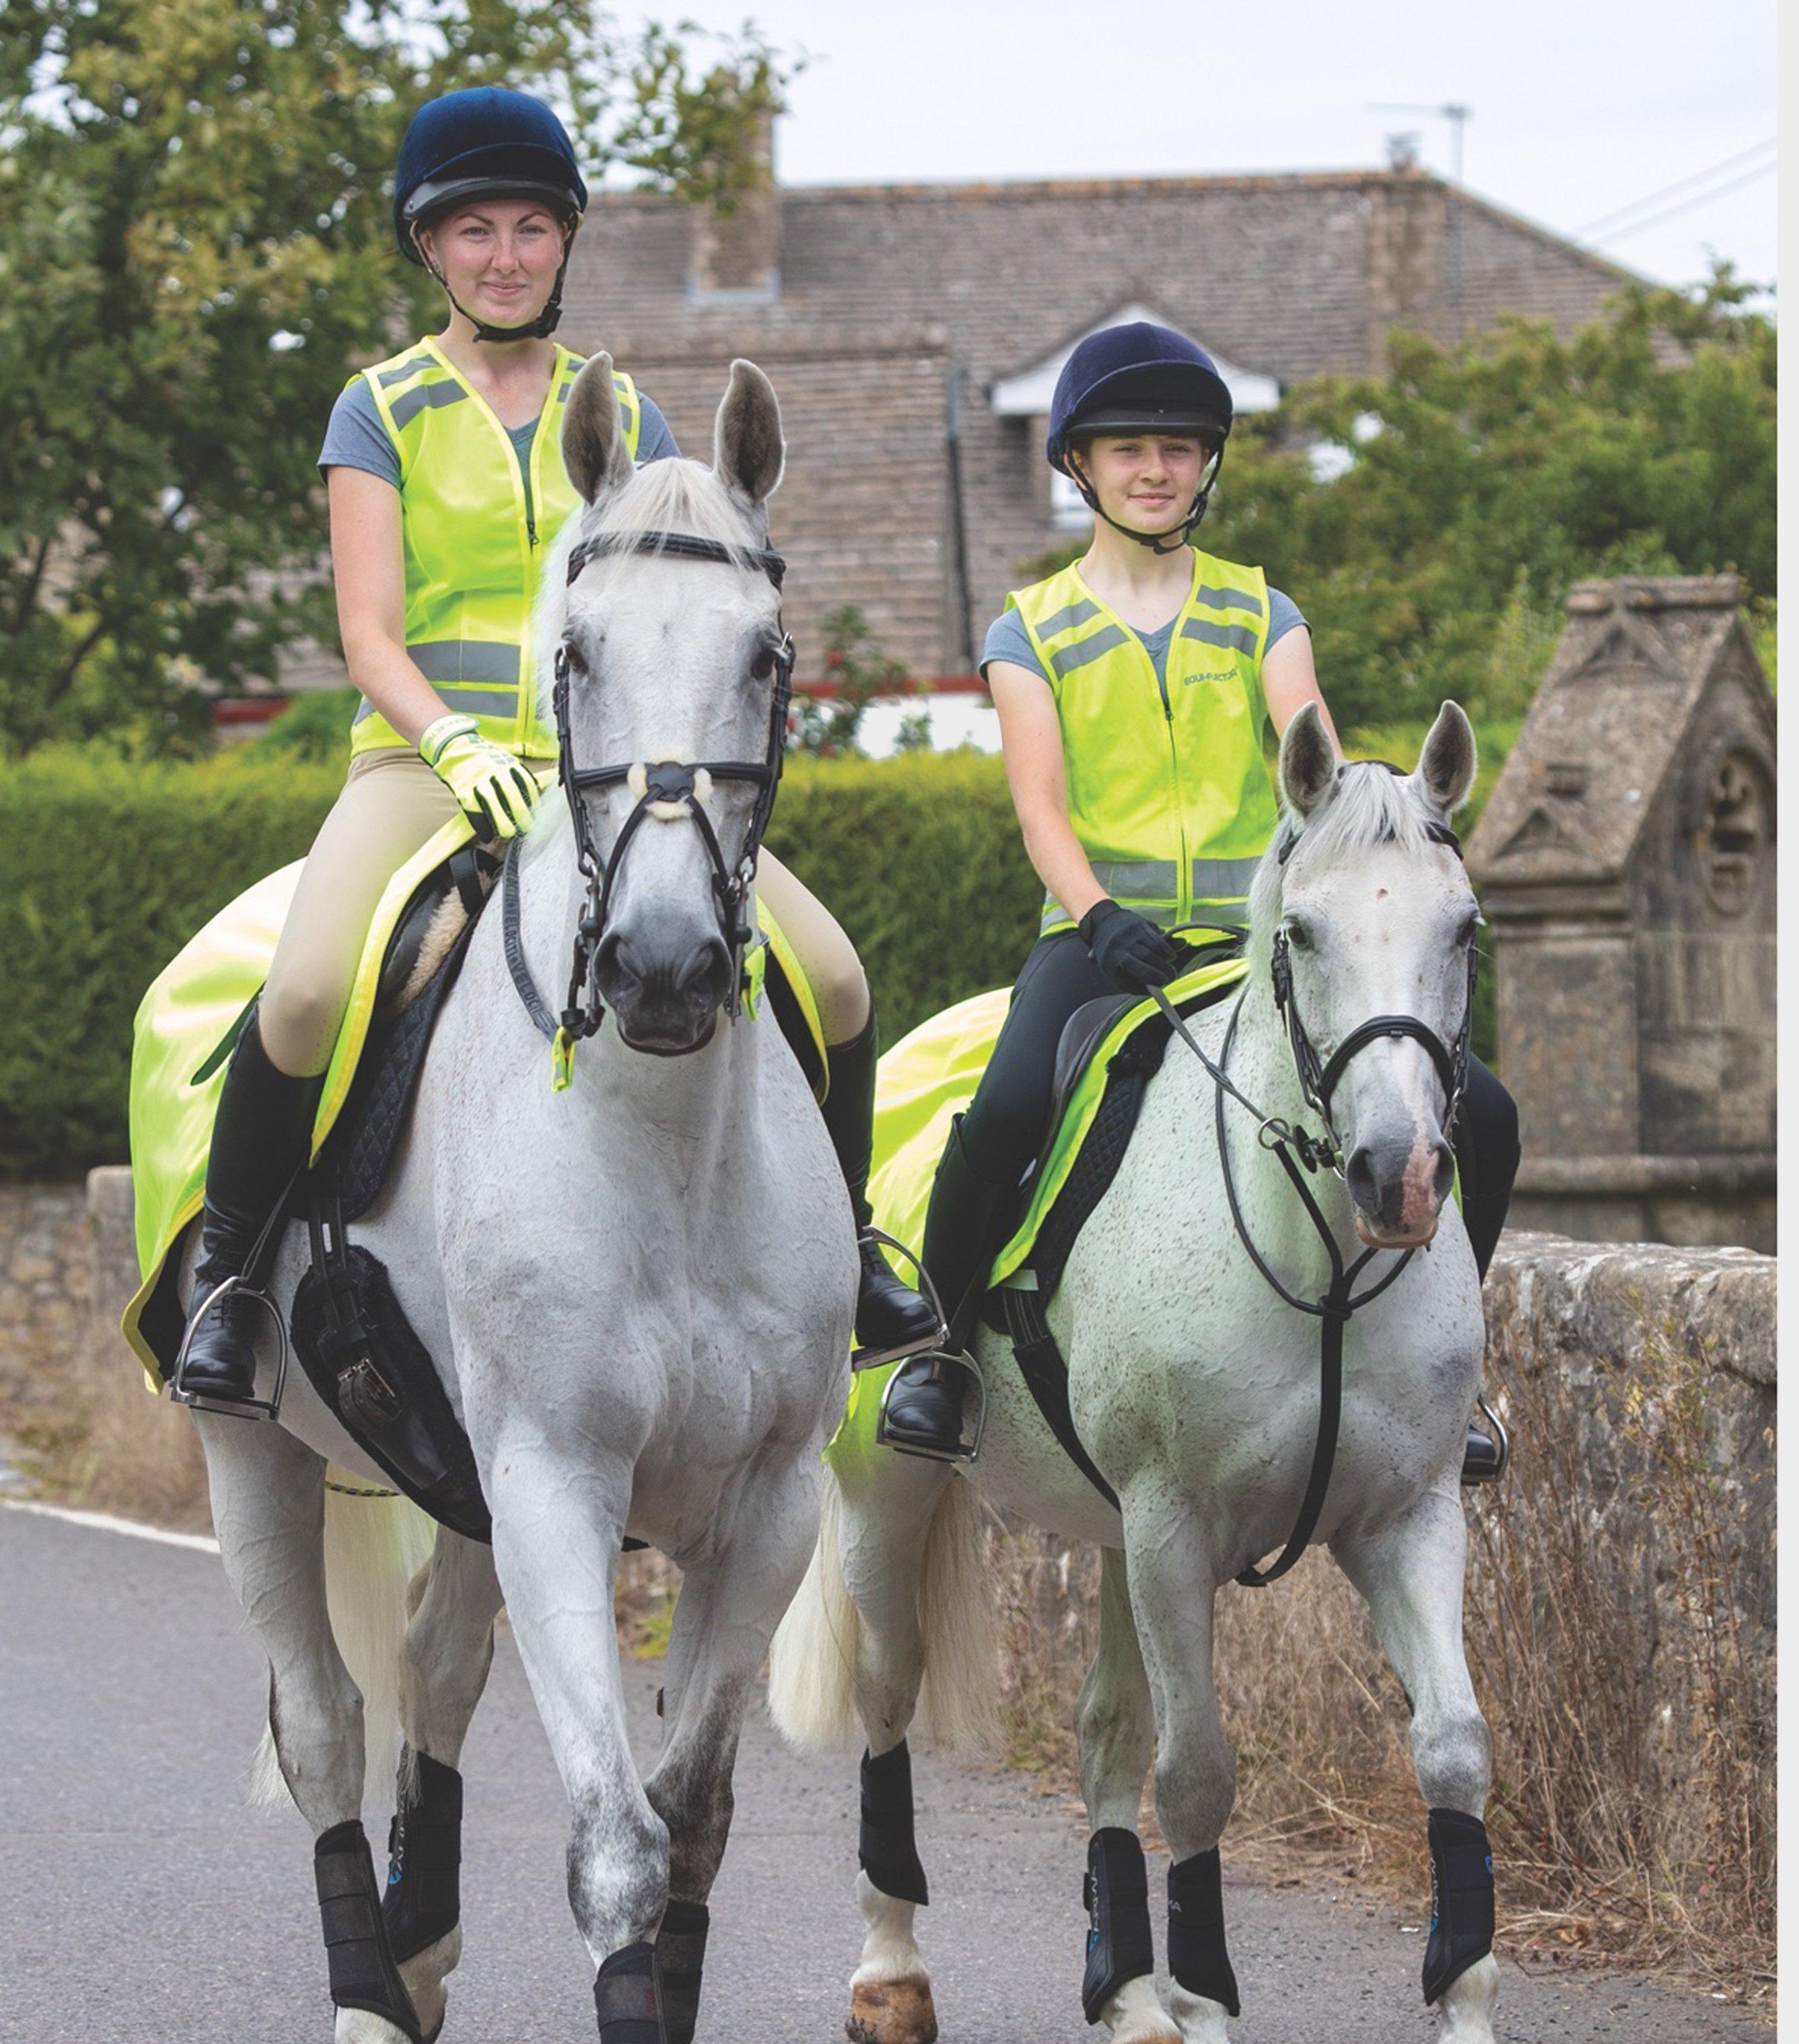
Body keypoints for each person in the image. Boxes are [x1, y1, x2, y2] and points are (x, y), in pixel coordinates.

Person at [174, 87, 939, 1408]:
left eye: (532, 228)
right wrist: (453, 739)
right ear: (429, 247)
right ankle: (232, 1281)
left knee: (839, 976)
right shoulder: (380, 408)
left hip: (619, 784)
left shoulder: (630, 419)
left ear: (566, 242)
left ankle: (856, 1246)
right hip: (422, 767)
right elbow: (366, 632)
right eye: (474, 231)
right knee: (301, 992)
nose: (506, 255)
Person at [877, 321, 1519, 1476]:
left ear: (1207, 465)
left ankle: (1456, 1382)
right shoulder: (1031, 628)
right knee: (1012, 1107)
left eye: (1178, 447)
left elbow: (1306, 744)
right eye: (1127, 449)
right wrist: (1095, 916)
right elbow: (1041, 810)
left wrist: (1373, 823)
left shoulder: (1260, 612)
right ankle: (941, 1353)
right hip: (1101, 939)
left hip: (1249, 945)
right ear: (1079, 464)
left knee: (1492, 1114)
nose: (1156, 469)